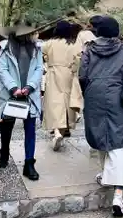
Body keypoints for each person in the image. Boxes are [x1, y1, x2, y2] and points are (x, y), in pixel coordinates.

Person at [79, 16, 123, 217]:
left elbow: (82, 76)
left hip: (94, 95)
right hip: (117, 97)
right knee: (119, 142)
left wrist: (90, 91)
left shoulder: (89, 50)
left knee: (100, 135)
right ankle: (118, 196)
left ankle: (105, 175)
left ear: (99, 32)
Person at [0, 22, 43, 181]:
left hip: (29, 94)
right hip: (11, 94)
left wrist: (30, 86)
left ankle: (29, 163)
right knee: (6, 126)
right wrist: (13, 87)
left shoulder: (36, 49)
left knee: (30, 129)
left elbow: (38, 69)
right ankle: (4, 153)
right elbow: (2, 70)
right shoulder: (6, 48)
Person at [42, 20, 81, 150]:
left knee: (53, 104)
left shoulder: (49, 43)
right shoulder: (73, 44)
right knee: (67, 104)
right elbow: (78, 59)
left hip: (53, 74)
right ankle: (62, 134)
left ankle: (57, 132)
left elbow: (43, 56)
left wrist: (49, 62)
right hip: (68, 74)